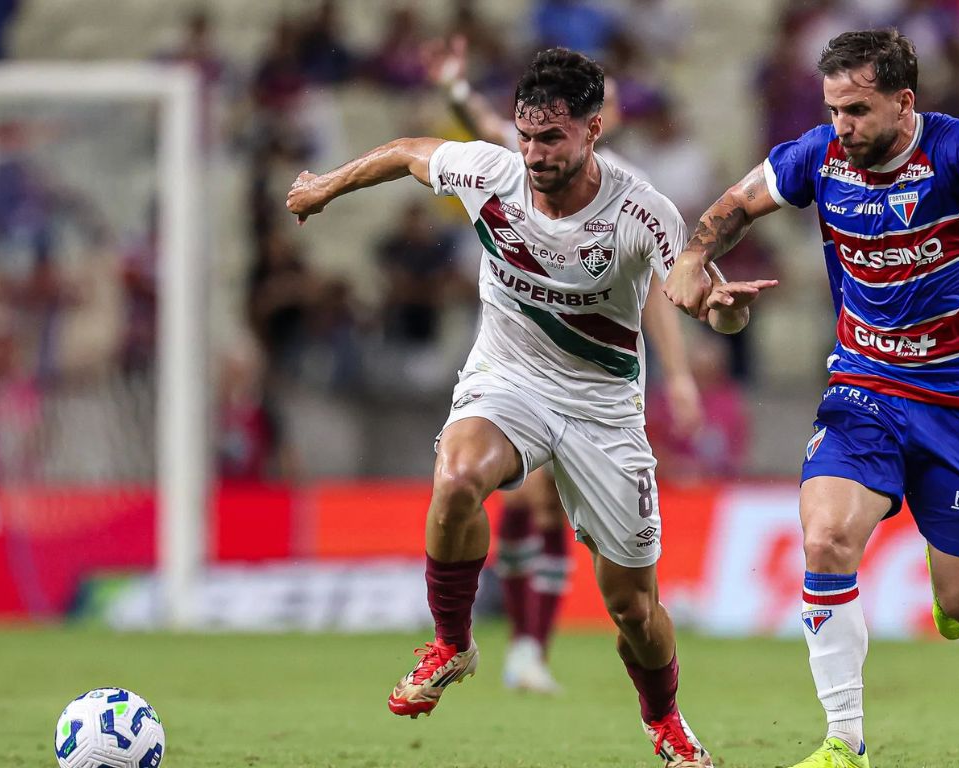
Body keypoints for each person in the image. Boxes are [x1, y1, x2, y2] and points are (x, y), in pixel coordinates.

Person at [287, 48, 775, 767]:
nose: (535, 153)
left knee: (634, 610)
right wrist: (325, 187)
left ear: (593, 131)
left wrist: (728, 315)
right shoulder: (492, 175)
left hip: (605, 408)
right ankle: (453, 644)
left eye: (553, 139)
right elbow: (406, 152)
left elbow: (701, 299)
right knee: (457, 479)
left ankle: (665, 719)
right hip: (509, 378)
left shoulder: (642, 212)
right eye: (526, 136)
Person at [663, 28, 959, 768]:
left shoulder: (954, 148)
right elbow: (734, 205)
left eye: (857, 110)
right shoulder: (817, 156)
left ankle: (956, 590)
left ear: (903, 102)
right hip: (864, 386)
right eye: (833, 109)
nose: (841, 126)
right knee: (824, 538)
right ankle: (844, 741)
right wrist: (694, 255)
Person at [422, 34, 704, 694]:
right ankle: (520, 644)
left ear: (597, 124)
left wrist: (681, 374)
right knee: (515, 492)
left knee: (552, 515)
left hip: (594, 379)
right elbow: (488, 132)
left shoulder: (629, 200)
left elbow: (658, 299)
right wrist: (455, 89)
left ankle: (527, 644)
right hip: (520, 354)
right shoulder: (531, 165)